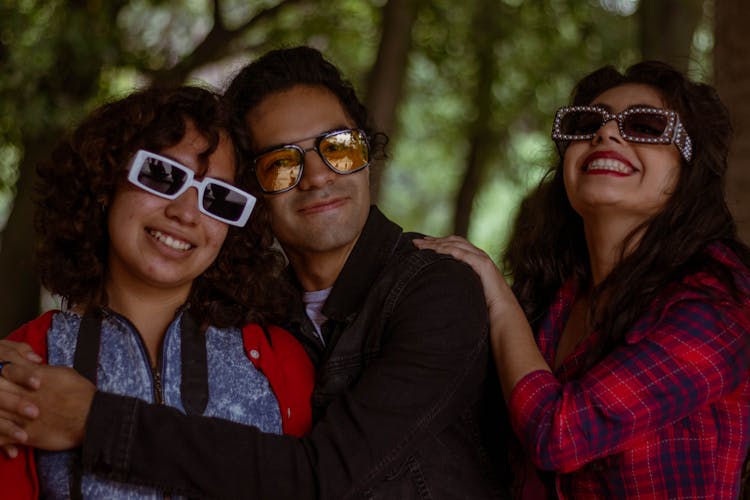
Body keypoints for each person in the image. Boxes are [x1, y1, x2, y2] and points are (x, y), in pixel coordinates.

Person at [0, 46, 508, 498]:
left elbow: (320, 479)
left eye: (339, 147)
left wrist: (96, 420)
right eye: (282, 164)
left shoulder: (430, 293)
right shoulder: (270, 315)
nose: (316, 176)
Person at [414, 60, 750, 498]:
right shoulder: (555, 295)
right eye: (587, 123)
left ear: (691, 171)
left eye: (646, 126)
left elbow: (560, 436)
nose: (606, 134)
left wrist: (497, 298)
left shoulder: (723, 304)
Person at [0, 85, 314, 498]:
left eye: (217, 198)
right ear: (104, 181)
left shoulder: (281, 362)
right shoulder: (25, 360)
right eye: (161, 175)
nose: (185, 212)